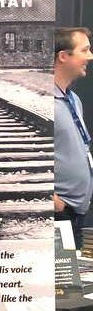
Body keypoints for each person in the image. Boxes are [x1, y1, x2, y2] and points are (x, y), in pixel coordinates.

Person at [54, 27, 93, 248]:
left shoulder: (73, 99)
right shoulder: (44, 100)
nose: (90, 56)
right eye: (84, 50)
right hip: (58, 214)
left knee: (68, 283)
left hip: (76, 213)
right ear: (63, 56)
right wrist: (54, 202)